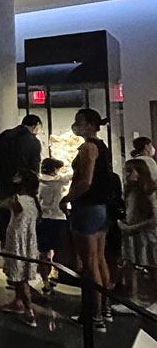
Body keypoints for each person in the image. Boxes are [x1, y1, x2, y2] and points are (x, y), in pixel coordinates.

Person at [60, 108, 113, 332]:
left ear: (90, 124)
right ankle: (105, 308)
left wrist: (67, 198)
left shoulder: (88, 148)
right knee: (99, 259)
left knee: (89, 263)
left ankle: (94, 315)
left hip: (87, 208)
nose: (76, 125)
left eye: (79, 121)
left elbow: (86, 181)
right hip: (100, 209)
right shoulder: (102, 147)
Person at [0, 114, 42, 248]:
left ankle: (6, 252)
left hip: (2, 187)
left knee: (5, 223)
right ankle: (21, 256)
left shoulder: (4, 136)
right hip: (23, 189)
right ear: (36, 126)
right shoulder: (32, 141)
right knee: (23, 227)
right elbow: (34, 167)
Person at [0, 169, 41, 327]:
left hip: (17, 241)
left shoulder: (17, 199)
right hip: (28, 242)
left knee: (21, 278)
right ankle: (18, 301)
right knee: (21, 276)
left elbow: (4, 204)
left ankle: (29, 312)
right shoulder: (33, 200)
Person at [118, 159, 157, 308]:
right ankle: (133, 298)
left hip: (148, 236)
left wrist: (132, 227)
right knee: (131, 265)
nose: (127, 175)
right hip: (133, 235)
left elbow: (154, 219)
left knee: (153, 267)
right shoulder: (129, 192)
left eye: (131, 171)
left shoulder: (150, 192)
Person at [37, 158, 70, 294]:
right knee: (59, 250)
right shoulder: (59, 181)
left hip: (43, 219)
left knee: (43, 252)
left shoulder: (38, 182)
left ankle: (45, 281)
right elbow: (71, 176)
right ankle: (56, 275)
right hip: (58, 218)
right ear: (55, 169)